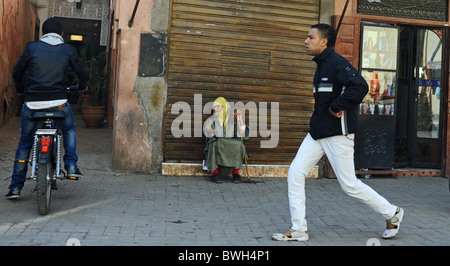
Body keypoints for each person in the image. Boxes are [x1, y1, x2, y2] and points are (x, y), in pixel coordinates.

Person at [272, 24, 404, 241]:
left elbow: (360, 86)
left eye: (310, 37)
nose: (306, 41)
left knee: (349, 185)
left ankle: (393, 212)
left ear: (323, 41)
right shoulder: (322, 65)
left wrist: (337, 106)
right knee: (295, 173)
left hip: (337, 134)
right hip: (317, 133)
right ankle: (299, 230)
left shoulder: (337, 64)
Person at [5, 18, 90, 200]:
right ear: (61, 34)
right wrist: (82, 86)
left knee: (25, 142)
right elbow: (84, 74)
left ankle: (15, 188)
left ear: (42, 34)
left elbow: (16, 73)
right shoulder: (68, 50)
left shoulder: (31, 48)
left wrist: (21, 90)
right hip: (59, 104)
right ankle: (71, 166)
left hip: (33, 105)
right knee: (69, 128)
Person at [203, 97, 250, 183]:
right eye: (214, 107)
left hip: (230, 153)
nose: (215, 109)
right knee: (213, 143)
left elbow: (243, 136)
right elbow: (208, 136)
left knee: (240, 144)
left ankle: (235, 172)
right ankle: (214, 173)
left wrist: (240, 120)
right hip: (217, 154)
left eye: (218, 106)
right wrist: (211, 131)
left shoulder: (232, 121)